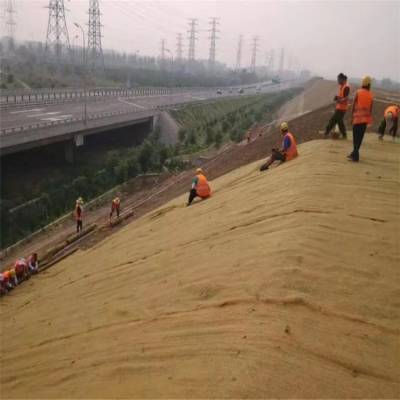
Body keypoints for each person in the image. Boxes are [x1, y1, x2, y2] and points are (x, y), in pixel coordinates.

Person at [348, 76, 374, 162]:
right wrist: (369, 120)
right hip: (365, 120)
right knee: (359, 138)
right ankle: (354, 153)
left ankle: (355, 156)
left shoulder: (358, 92)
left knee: (355, 138)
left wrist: (351, 117)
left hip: (357, 118)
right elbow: (370, 109)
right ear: (369, 85)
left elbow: (353, 105)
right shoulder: (371, 95)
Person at [324, 73, 350, 139]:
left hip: (342, 108)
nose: (337, 81)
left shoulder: (346, 87)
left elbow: (346, 98)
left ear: (342, 79)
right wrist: (338, 97)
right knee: (338, 121)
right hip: (340, 107)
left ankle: (326, 133)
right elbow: (342, 97)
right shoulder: (343, 86)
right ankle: (343, 134)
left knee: (334, 120)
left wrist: (338, 100)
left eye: (338, 80)